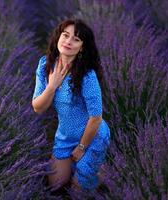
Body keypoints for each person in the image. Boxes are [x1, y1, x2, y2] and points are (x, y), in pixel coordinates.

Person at [31, 18, 110, 192]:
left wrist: (81, 148)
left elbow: (96, 118)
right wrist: (52, 86)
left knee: (78, 190)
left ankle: (99, 167)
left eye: (76, 39)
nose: (68, 41)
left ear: (82, 47)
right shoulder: (45, 64)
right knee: (55, 185)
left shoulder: (87, 75)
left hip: (91, 136)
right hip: (65, 135)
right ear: (58, 37)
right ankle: (87, 168)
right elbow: (38, 107)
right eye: (65, 35)